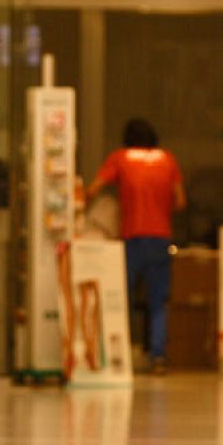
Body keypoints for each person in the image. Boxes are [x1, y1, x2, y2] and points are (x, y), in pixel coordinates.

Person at [85, 118, 185, 374]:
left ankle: (119, 355)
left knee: (120, 298)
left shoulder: (121, 159)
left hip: (131, 239)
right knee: (158, 302)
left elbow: (94, 189)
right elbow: (180, 201)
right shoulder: (167, 160)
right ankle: (158, 357)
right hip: (161, 238)